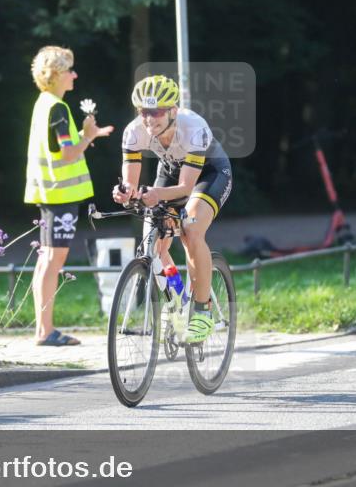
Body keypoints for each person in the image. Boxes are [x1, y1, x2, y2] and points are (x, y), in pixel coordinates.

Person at [112, 75, 233, 344]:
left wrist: (154, 195)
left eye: (156, 112)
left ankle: (203, 312)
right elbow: (131, 183)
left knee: (190, 229)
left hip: (208, 174)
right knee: (151, 245)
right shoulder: (134, 131)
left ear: (173, 111)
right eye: (144, 112)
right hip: (169, 172)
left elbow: (187, 188)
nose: (149, 119)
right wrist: (125, 193)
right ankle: (177, 294)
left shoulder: (194, 127)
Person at [24, 45, 113, 346]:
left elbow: (58, 148)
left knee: (45, 260)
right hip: (59, 196)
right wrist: (87, 136)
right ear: (57, 75)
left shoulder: (44, 103)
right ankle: (45, 332)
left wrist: (88, 135)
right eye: (70, 70)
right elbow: (66, 154)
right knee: (52, 260)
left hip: (49, 193)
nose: (75, 75)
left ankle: (43, 329)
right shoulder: (58, 108)